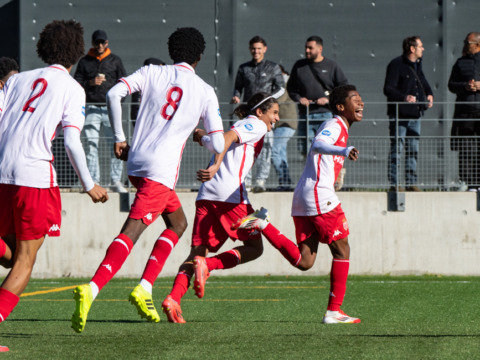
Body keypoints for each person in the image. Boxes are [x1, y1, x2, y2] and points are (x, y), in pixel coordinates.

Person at [71, 27, 225, 333]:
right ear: (199, 57)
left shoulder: (153, 71)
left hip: (137, 160)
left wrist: (119, 137)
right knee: (133, 229)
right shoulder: (205, 90)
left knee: (178, 223)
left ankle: (144, 287)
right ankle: (92, 288)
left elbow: (114, 93)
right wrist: (202, 138)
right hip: (160, 170)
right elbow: (219, 145)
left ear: (172, 51)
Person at [0, 19, 109, 339]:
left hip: (3, 172)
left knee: (11, 255)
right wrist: (90, 185)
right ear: (77, 51)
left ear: (43, 47)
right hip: (34, 178)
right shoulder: (73, 89)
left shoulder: (18, 80)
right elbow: (73, 142)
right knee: (24, 261)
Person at [233, 85, 362, 324]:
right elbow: (319, 144)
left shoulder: (340, 128)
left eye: (361, 99)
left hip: (306, 195)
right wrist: (343, 151)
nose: (361, 103)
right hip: (318, 195)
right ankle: (334, 311)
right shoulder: (334, 125)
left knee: (305, 261)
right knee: (342, 249)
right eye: (355, 99)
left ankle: (263, 224)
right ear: (341, 106)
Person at [161, 93, 279, 323]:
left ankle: (173, 298)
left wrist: (202, 136)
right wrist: (215, 165)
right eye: (274, 112)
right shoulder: (256, 125)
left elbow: (219, 140)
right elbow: (228, 138)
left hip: (207, 195)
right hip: (231, 197)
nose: (276, 117)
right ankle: (209, 266)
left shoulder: (246, 124)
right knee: (255, 247)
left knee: (197, 252)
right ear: (260, 112)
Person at [74, 29, 127, 193]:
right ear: (92, 43)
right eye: (97, 42)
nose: (99, 45)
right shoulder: (84, 62)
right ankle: (94, 180)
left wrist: (117, 103)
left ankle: (115, 181)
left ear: (107, 43)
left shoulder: (115, 60)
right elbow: (76, 84)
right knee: (91, 145)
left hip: (110, 110)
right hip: (91, 108)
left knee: (116, 145)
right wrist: (91, 82)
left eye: (102, 42)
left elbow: (124, 83)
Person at [231, 36, 285, 192]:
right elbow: (237, 88)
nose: (256, 51)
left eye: (259, 48)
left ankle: (260, 181)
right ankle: (245, 182)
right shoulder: (243, 68)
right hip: (249, 115)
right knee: (246, 146)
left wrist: (267, 101)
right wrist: (236, 96)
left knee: (266, 147)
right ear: (250, 49)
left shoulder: (273, 67)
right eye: (253, 48)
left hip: (266, 115)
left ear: (265, 49)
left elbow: (281, 88)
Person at [384, 36, 434, 192]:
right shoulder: (396, 65)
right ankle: (395, 183)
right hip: (400, 115)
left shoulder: (417, 65)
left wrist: (429, 93)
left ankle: (411, 182)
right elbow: (388, 89)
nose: (423, 49)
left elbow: (423, 82)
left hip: (415, 114)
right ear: (412, 49)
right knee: (397, 149)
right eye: (420, 46)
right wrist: (403, 97)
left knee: (413, 149)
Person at [287, 36, 348, 157]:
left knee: (327, 146)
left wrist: (328, 99)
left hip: (325, 114)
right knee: (305, 148)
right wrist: (300, 99)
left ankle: (329, 174)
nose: (307, 50)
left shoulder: (331, 66)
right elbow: (291, 88)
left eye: (311, 48)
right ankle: (312, 173)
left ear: (320, 49)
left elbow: (343, 87)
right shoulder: (299, 66)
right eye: (306, 48)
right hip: (306, 113)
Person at [448, 32, 480, 191]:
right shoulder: (460, 63)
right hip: (465, 111)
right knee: (466, 147)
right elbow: (451, 84)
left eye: (468, 42)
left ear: (477, 44)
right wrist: (465, 87)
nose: (465, 45)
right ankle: (468, 182)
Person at [271, 65, 297, 191]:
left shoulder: (285, 83)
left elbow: (279, 99)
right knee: (281, 153)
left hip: (286, 123)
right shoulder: (285, 83)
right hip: (282, 123)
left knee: (273, 150)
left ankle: (283, 181)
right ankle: (286, 182)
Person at [130, 57, 166, 124]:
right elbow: (135, 109)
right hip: (146, 123)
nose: (163, 70)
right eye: (160, 68)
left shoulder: (166, 83)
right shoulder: (140, 85)